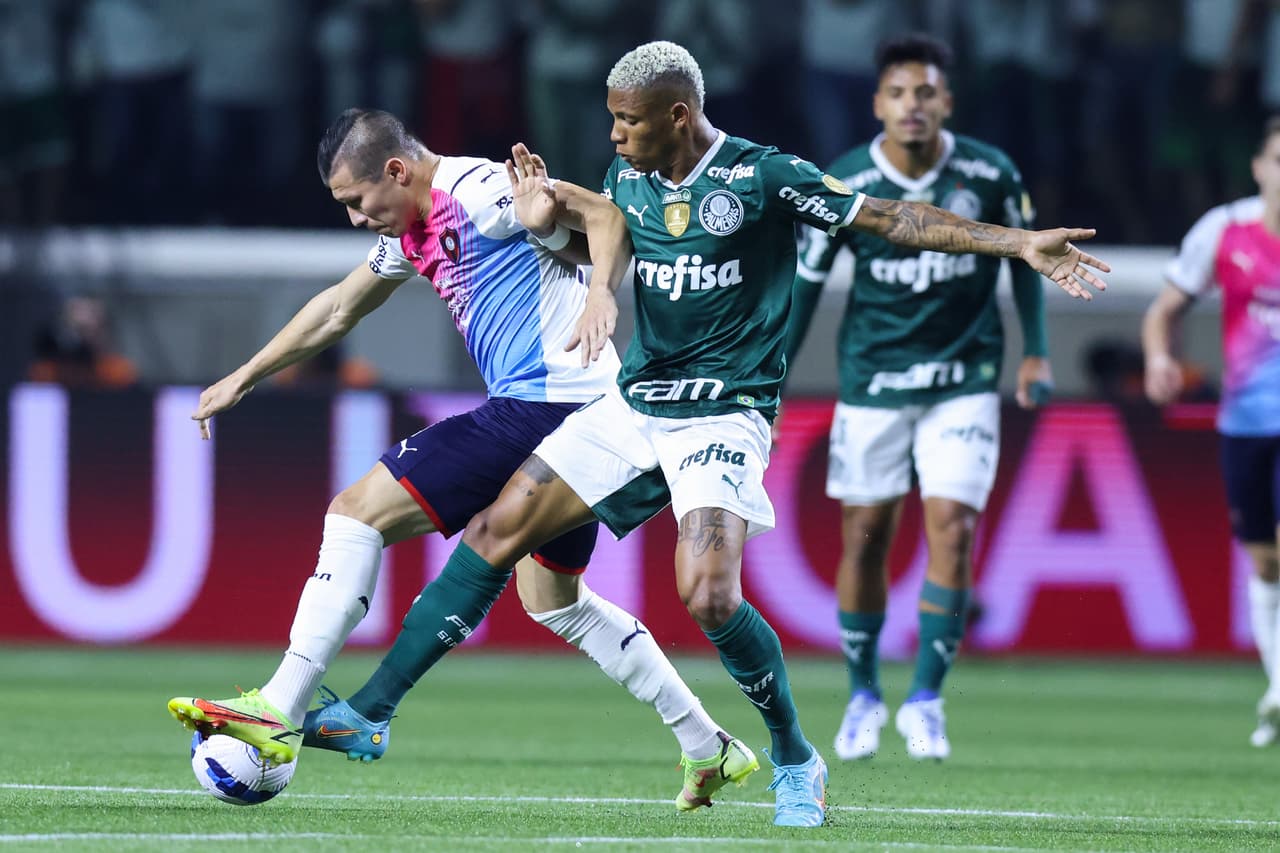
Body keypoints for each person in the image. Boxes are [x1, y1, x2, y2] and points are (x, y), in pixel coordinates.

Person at [177, 40, 1107, 828]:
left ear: (676, 114)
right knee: (503, 537)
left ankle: (792, 751)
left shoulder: (763, 175)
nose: (613, 137)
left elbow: (891, 217)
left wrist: (1014, 243)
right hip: (634, 398)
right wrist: (556, 238)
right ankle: (373, 711)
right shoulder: (623, 173)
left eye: (626, 121)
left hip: (724, 408)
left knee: (705, 596)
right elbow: (593, 226)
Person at [167, 108, 759, 813]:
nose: (358, 219)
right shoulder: (409, 230)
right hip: (582, 417)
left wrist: (599, 288)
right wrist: (246, 374)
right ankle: (708, 742)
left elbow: (607, 218)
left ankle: (280, 701)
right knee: (554, 602)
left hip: (544, 405)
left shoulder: (478, 190)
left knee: (355, 514)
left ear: (396, 170)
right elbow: (337, 310)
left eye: (358, 202)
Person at [785, 34, 1053, 764]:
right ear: (878, 104)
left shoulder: (988, 172)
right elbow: (808, 282)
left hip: (964, 377)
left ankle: (927, 698)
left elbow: (1024, 259)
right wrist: (770, 377)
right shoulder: (842, 181)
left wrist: (1034, 350)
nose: (913, 105)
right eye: (899, 93)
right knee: (866, 535)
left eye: (926, 92)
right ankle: (864, 694)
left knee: (954, 528)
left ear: (946, 103)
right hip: (873, 378)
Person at [1143, 115, 1280, 748]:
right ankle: (1277, 690)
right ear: (1258, 165)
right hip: (1247, 421)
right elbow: (1164, 310)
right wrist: (1159, 357)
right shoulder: (1224, 230)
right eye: (1278, 159)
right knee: (1266, 560)